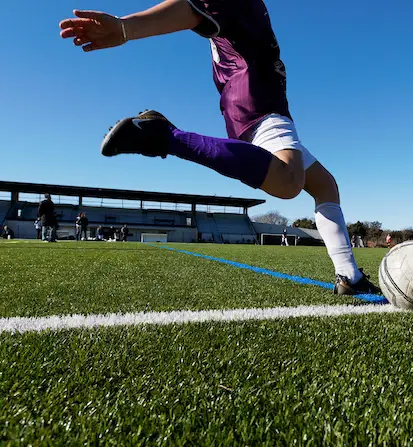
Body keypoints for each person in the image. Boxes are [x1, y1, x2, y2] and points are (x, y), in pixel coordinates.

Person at [59, 0, 379, 295]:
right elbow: (190, 8)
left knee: (324, 185)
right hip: (257, 91)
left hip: (249, 95)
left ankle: (349, 276)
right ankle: (163, 135)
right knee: (289, 181)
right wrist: (126, 28)